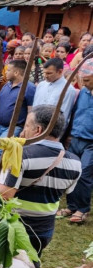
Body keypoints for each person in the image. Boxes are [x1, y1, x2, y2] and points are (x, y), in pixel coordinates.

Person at [0, 105, 82, 268]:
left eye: (27, 125)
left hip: (17, 224)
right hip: (45, 226)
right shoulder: (76, 163)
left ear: (38, 130)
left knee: (8, 258)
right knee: (34, 256)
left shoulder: (23, 154)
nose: (23, 130)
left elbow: (7, 193)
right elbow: (67, 191)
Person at [60, 59, 93, 223]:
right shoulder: (81, 93)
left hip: (91, 143)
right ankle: (71, 206)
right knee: (71, 172)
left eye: (87, 81)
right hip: (76, 137)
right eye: (83, 80)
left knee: (85, 173)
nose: (84, 84)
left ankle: (83, 209)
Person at [0, 60, 36, 161]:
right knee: (2, 152)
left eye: (8, 70)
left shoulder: (29, 88)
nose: (6, 72)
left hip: (14, 128)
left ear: (16, 73)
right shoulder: (7, 85)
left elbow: (30, 111)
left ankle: (0, 175)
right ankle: (0, 173)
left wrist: (26, 128)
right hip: (0, 126)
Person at [33, 58, 78, 128]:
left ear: (60, 72)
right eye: (44, 72)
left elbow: (63, 115)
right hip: (34, 126)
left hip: (52, 130)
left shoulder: (68, 90)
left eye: (49, 73)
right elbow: (34, 107)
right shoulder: (41, 85)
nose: (45, 76)